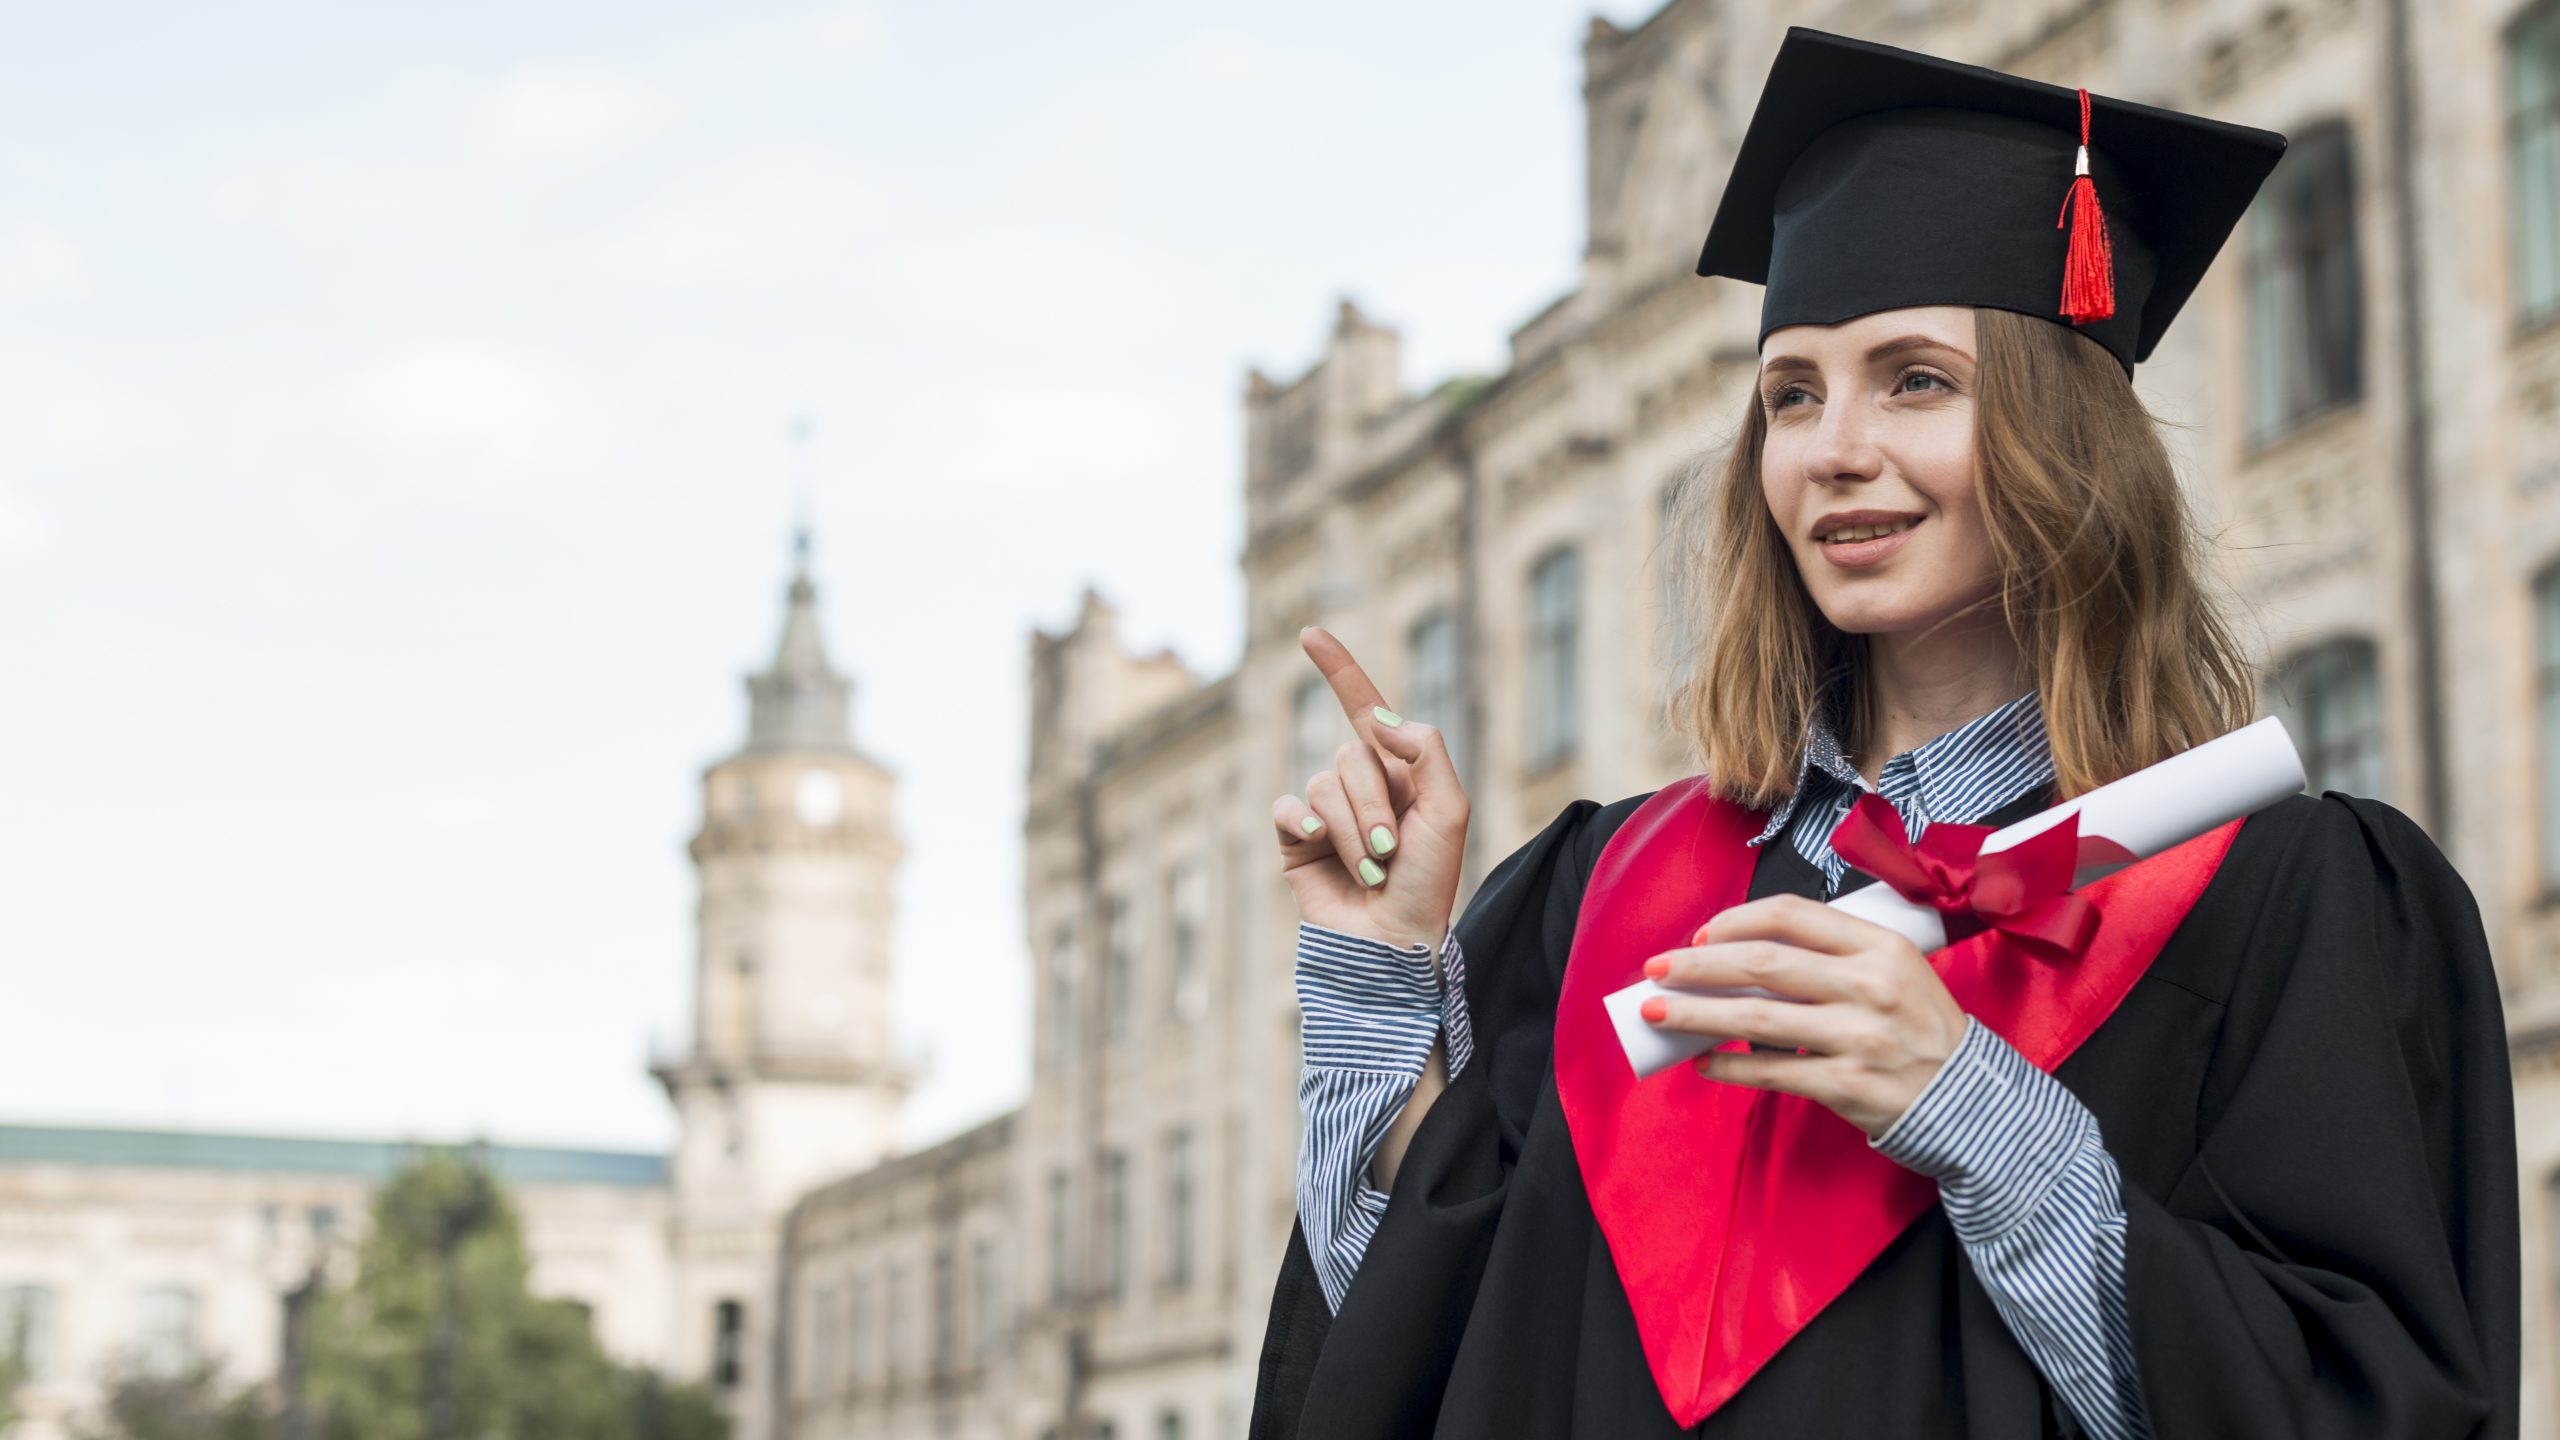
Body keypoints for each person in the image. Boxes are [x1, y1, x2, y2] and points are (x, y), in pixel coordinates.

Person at [1250, 26, 2519, 1440]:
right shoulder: (1608, 892)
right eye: (1791, 392)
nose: (1832, 446)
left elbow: (2365, 1407)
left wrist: (1971, 1109)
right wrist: (1377, 972)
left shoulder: (2273, 896)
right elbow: (1409, 1363)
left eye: (1915, 378)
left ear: (2063, 440)